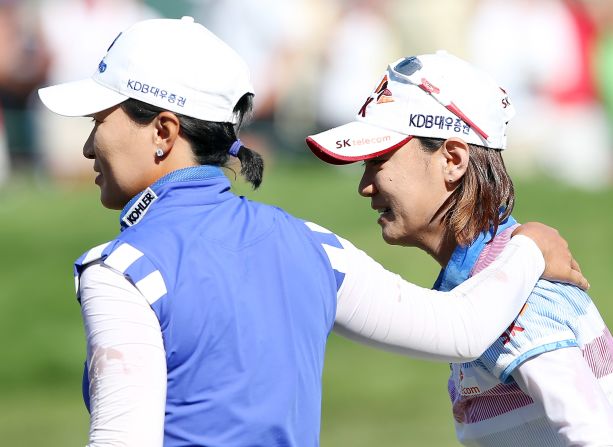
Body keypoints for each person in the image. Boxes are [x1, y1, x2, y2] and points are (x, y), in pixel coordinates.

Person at [37, 18, 586, 447]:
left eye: (97, 121)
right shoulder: (309, 243)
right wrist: (529, 248)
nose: (88, 146)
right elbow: (460, 329)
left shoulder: (119, 269)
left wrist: (526, 250)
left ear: (163, 131)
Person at [306, 51, 613, 446]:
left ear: (452, 160)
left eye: (378, 160)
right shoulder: (489, 276)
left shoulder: (521, 294)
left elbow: (595, 433)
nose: (364, 185)